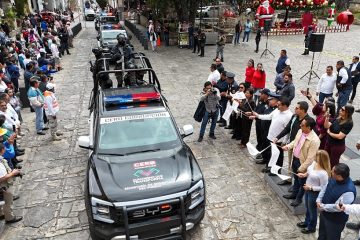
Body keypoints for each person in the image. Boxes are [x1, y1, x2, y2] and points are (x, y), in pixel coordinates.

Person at [282, 117, 320, 207]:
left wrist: (301, 168)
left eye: (302, 125)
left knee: (302, 183)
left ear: (309, 127)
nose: (300, 125)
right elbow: (295, 141)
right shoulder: (300, 131)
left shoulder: (315, 140)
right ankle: (294, 194)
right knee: (295, 179)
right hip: (295, 159)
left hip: (303, 163)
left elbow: (310, 158)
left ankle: (298, 199)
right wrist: (288, 146)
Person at [251, 97, 293, 173]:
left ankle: (277, 170)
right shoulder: (277, 110)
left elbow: (287, 130)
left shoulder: (289, 116)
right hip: (270, 136)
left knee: (278, 156)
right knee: (270, 153)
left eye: (279, 105)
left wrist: (285, 141)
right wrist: (258, 116)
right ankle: (269, 167)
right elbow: (269, 116)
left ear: (285, 106)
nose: (277, 106)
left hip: (279, 140)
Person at [316, 163, 356, 240]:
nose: (331, 172)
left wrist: (322, 206)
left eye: (333, 171)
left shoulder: (349, 192)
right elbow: (325, 187)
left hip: (335, 221)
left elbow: (338, 207)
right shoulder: (334, 178)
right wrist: (319, 199)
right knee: (322, 235)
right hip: (325, 214)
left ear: (339, 176)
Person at [275, 101, 309, 186]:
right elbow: (287, 129)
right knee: (290, 163)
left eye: (297, 108)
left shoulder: (307, 121)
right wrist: (277, 137)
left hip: (301, 148)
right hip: (291, 144)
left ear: (303, 110)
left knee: (298, 166)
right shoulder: (294, 117)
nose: (295, 109)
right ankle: (290, 179)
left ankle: (297, 185)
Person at [296, 150, 331, 234]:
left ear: (322, 159)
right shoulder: (314, 163)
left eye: (317, 157)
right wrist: (304, 175)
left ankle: (312, 227)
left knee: (312, 211)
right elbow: (309, 171)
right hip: (307, 189)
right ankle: (306, 222)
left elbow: (323, 187)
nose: (315, 157)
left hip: (314, 192)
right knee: (307, 207)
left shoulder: (324, 173)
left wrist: (311, 188)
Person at [0, 143, 23, 224]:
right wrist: (13, 173)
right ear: (2, 150)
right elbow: (2, 178)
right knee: (8, 202)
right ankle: (9, 217)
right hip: (4, 186)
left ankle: (1, 214)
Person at [254, 88, 271, 162]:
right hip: (258, 122)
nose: (260, 95)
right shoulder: (260, 101)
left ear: (266, 95)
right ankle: (259, 150)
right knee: (259, 137)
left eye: (262, 94)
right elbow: (256, 109)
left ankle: (263, 154)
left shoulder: (268, 104)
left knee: (263, 139)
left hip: (264, 125)